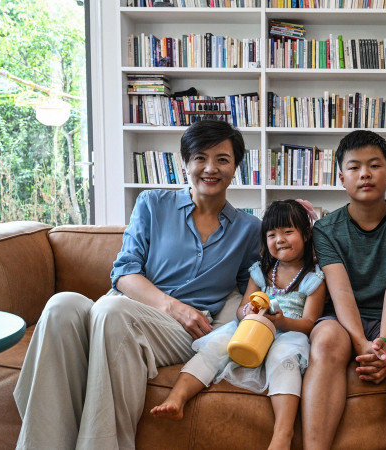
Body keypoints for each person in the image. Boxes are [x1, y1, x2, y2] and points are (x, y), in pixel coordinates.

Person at [13, 120, 262, 449]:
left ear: (236, 167)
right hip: (135, 308)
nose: (210, 168)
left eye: (222, 159)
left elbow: (253, 287)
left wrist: (237, 326)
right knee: (62, 306)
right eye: (200, 158)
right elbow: (125, 272)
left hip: (182, 332)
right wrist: (174, 306)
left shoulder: (249, 229)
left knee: (112, 310)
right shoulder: (152, 203)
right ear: (185, 162)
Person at [150, 199, 326, 450]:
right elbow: (241, 311)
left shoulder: (313, 280)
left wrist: (282, 321)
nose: (280, 239)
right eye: (272, 234)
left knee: (284, 360)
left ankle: (282, 435)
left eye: (288, 232)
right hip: (252, 327)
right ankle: (177, 398)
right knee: (216, 346)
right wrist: (251, 311)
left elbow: (309, 323)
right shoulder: (261, 272)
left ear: (306, 234)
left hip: (288, 333)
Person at [301, 130, 386, 449]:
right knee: (327, 341)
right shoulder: (325, 228)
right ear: (341, 177)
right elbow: (340, 291)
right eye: (355, 166)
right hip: (342, 320)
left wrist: (384, 341)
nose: (365, 174)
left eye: (374, 165)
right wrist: (361, 343)